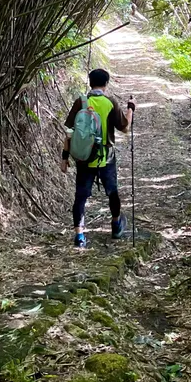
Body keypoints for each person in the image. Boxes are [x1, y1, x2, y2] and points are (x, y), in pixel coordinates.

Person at [61, 67, 135, 248]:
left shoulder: (81, 102)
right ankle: (116, 225)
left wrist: (64, 158)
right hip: (105, 157)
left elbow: (69, 132)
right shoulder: (110, 102)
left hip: (84, 157)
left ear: (90, 82)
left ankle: (79, 236)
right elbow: (125, 128)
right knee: (113, 192)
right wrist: (131, 109)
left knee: (81, 196)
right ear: (106, 84)